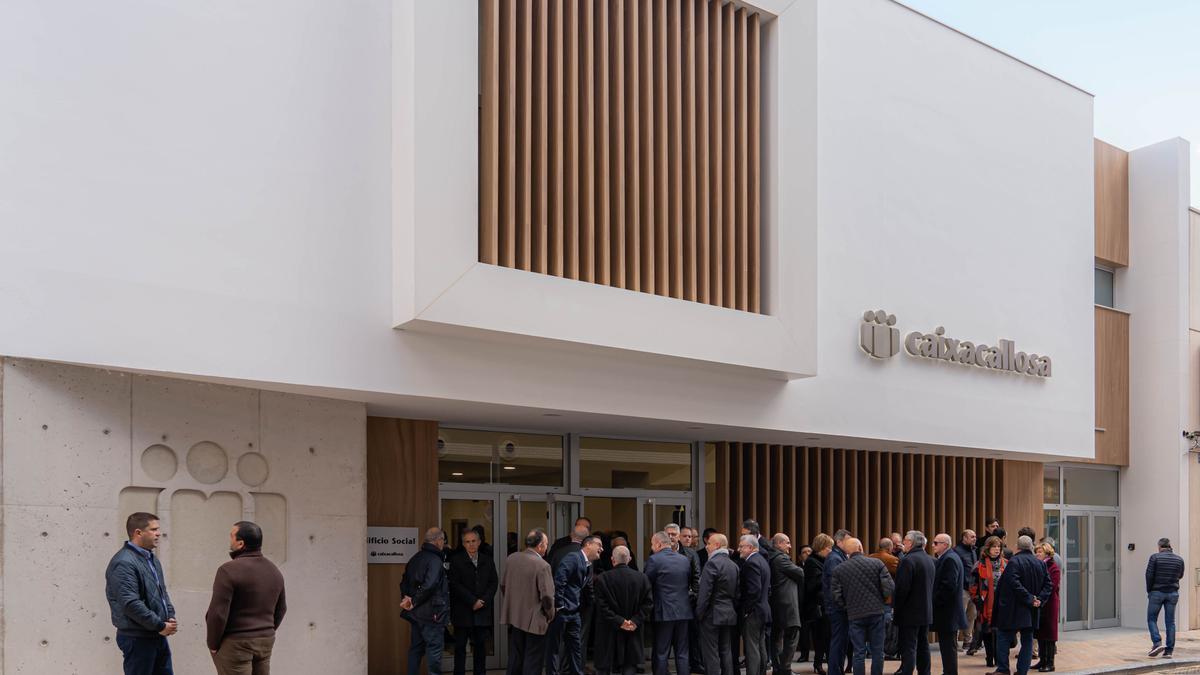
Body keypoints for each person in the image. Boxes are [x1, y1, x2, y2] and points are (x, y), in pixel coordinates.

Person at [204, 521, 286, 675]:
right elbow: (282, 608)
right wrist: (266, 630)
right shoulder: (274, 570)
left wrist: (213, 644)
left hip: (236, 643)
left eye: (232, 536)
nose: (230, 540)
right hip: (265, 640)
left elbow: (218, 613)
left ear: (241, 543)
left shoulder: (228, 570)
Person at [105, 512, 177, 675]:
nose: (159, 533)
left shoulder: (151, 559)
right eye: (153, 529)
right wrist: (160, 625)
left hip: (156, 635)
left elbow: (162, 592)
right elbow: (130, 603)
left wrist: (169, 617)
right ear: (138, 533)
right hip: (137, 638)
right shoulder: (123, 562)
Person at [831, 537, 893, 675]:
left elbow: (836, 595)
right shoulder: (877, 563)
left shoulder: (839, 569)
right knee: (878, 651)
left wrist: (847, 606)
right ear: (860, 547)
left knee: (858, 652)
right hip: (877, 612)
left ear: (846, 551)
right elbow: (889, 587)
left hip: (855, 614)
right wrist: (881, 600)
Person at [992, 536, 1051, 675]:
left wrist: (1031, 599)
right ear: (1031, 547)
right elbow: (1048, 585)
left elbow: (1014, 583)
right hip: (1031, 609)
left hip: (1013, 609)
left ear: (1017, 547)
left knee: (1003, 638)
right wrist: (1038, 600)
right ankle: (1022, 671)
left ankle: (1003, 669)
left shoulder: (1014, 562)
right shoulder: (1040, 563)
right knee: (1027, 640)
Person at [501, 529, 557, 675]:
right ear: (539, 546)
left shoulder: (511, 558)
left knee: (516, 655)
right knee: (533, 659)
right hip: (535, 618)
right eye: (546, 544)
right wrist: (550, 614)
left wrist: (513, 603)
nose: (546, 547)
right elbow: (547, 597)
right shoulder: (542, 565)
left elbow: (503, 586)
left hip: (515, 616)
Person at [548, 534, 603, 675]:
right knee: (554, 648)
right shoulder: (573, 557)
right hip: (563, 611)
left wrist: (590, 605)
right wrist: (559, 605)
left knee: (575, 647)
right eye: (599, 545)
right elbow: (560, 580)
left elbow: (585, 588)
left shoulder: (588, 564)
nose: (602, 549)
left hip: (574, 612)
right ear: (588, 545)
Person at [595, 545, 653, 675]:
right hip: (633, 630)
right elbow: (648, 604)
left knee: (605, 667)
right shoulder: (642, 578)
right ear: (629, 559)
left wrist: (619, 621)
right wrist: (634, 621)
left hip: (609, 630)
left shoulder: (602, 578)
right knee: (630, 666)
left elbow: (601, 606)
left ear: (612, 559)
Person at [449, 527, 499, 675]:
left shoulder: (487, 560)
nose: (471, 544)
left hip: (481, 613)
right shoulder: (456, 561)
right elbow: (455, 585)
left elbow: (493, 583)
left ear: (479, 542)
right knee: (460, 649)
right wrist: (472, 601)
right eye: (467, 542)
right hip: (462, 612)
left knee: (480, 649)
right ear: (463, 544)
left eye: (473, 541)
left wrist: (483, 600)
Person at [402, 528, 451, 675]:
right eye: (443, 540)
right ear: (438, 540)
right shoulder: (435, 560)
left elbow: (404, 583)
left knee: (416, 649)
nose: (444, 543)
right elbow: (430, 585)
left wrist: (407, 600)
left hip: (416, 614)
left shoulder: (415, 558)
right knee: (434, 650)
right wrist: (414, 601)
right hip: (432, 614)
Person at [645, 530, 694, 675]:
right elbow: (688, 581)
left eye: (653, 544)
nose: (652, 547)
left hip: (663, 611)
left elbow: (647, 584)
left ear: (659, 544)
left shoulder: (654, 560)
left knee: (661, 651)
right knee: (682, 651)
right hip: (684, 611)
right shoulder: (684, 559)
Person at [697, 533, 739, 675]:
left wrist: (699, 614)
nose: (706, 547)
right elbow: (737, 593)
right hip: (729, 613)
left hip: (712, 614)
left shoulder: (712, 563)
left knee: (711, 652)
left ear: (717, 545)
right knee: (726, 650)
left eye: (709, 543)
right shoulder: (733, 565)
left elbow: (704, 593)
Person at [893, 531, 934, 675]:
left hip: (909, 613)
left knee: (909, 647)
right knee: (923, 645)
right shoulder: (930, 559)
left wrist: (896, 608)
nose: (903, 543)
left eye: (904, 540)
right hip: (926, 611)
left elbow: (902, 589)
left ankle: (907, 672)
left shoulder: (907, 560)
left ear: (910, 542)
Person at [665, 523, 704, 675]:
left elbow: (696, 577)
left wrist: (693, 595)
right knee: (666, 640)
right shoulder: (659, 550)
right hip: (667, 603)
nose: (688, 538)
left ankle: (692, 664)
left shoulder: (690, 554)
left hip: (687, 602)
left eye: (690, 536)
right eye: (685, 536)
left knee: (690, 636)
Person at [769, 533, 806, 674]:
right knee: (792, 635)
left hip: (777, 604)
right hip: (787, 604)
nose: (790, 546)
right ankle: (785, 668)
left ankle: (778, 667)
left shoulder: (772, 557)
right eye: (787, 543)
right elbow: (800, 573)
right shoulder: (781, 558)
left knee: (776, 637)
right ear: (778, 544)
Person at [968, 536, 1008, 667]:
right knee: (988, 632)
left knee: (1001, 632)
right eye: (994, 547)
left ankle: (999, 659)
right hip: (985, 604)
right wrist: (976, 599)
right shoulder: (979, 565)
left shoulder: (1006, 564)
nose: (997, 549)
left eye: (999, 547)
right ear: (988, 549)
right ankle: (990, 657)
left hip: (1002, 604)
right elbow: (972, 585)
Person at [931, 534, 966, 675]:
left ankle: (950, 672)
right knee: (947, 646)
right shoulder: (949, 557)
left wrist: (935, 601)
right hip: (949, 611)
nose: (933, 545)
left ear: (945, 544)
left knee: (948, 646)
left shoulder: (949, 559)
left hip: (948, 612)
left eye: (936, 543)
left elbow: (949, 586)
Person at [1145, 537, 1185, 658]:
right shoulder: (1179, 559)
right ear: (1170, 546)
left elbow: (1149, 575)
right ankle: (1168, 651)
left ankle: (1157, 643)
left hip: (1157, 592)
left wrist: (1150, 590)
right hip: (1173, 593)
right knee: (1170, 622)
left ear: (1159, 546)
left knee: (1151, 619)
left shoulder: (1155, 557)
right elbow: (1180, 575)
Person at [738, 534, 772, 675]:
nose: (738, 549)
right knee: (760, 646)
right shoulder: (762, 560)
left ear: (751, 547)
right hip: (763, 610)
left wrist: (746, 610)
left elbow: (754, 590)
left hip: (754, 612)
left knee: (752, 649)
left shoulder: (751, 563)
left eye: (741, 546)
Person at [823, 530, 854, 675]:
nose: (850, 544)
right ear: (839, 542)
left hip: (838, 607)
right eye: (848, 541)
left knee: (841, 642)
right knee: (838, 641)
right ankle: (835, 671)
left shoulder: (839, 557)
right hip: (837, 608)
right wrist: (843, 605)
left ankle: (838, 670)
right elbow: (837, 585)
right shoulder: (835, 558)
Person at [804, 534, 833, 675]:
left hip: (826, 603)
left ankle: (825, 662)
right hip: (818, 605)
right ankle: (818, 663)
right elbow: (812, 586)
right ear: (821, 547)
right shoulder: (812, 562)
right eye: (829, 547)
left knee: (827, 635)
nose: (830, 550)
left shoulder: (824, 561)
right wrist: (827, 575)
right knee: (820, 637)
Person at [867, 538, 899, 661]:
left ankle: (870, 650)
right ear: (890, 548)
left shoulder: (869, 558)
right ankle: (884, 651)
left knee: (871, 626)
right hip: (887, 599)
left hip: (871, 598)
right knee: (886, 627)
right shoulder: (893, 560)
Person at [1031, 543, 1060, 672]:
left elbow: (1051, 586)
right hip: (1040, 603)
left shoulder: (1053, 567)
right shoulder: (1039, 566)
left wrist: (1039, 596)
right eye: (1036, 552)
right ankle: (1042, 661)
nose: (1037, 554)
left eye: (1040, 552)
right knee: (1041, 633)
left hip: (1049, 604)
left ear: (1047, 554)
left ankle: (1050, 663)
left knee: (1049, 634)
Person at [954, 530, 978, 651]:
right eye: (972, 537)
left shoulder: (974, 550)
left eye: (975, 537)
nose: (974, 538)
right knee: (959, 614)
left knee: (972, 615)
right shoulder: (957, 551)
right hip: (962, 588)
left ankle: (967, 641)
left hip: (973, 588)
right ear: (964, 537)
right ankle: (955, 640)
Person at [796, 544, 816, 663]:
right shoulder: (797, 569)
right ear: (800, 557)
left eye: (810, 551)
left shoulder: (816, 566)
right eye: (804, 552)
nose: (808, 554)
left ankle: (821, 654)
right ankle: (804, 654)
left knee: (818, 632)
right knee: (803, 632)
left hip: (814, 603)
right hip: (802, 604)